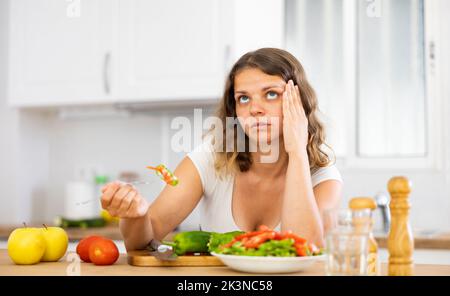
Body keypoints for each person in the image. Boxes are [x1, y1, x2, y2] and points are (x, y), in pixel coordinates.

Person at [101, 48, 343, 251]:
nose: (255, 109)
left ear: (298, 103)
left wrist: (297, 152)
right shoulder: (211, 158)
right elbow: (141, 242)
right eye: (244, 98)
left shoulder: (323, 176)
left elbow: (307, 253)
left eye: (271, 94)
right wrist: (136, 216)